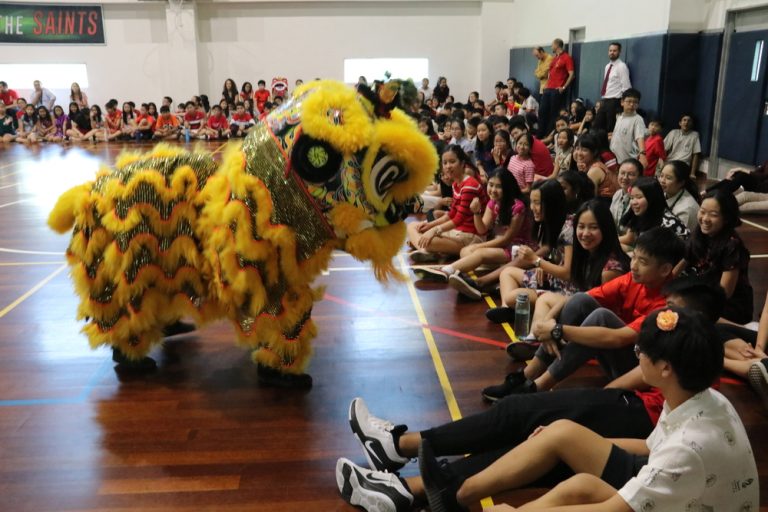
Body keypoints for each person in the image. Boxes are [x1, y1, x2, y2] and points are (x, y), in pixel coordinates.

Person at [424, 308, 757, 512]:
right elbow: (653, 447)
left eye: (640, 350)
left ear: (666, 367)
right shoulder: (696, 399)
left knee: (580, 489)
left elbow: (613, 508)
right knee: (566, 446)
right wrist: (573, 438)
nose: (637, 355)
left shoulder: (688, 447)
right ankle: (457, 495)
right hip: (677, 496)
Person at [483, 226, 683, 401]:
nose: (634, 265)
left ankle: (536, 387)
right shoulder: (634, 278)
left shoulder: (668, 304)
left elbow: (618, 339)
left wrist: (558, 331)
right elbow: (579, 297)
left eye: (643, 262)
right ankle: (527, 375)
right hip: (617, 356)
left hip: (639, 373)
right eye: (635, 258)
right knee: (581, 301)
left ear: (665, 269)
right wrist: (548, 323)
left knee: (601, 317)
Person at [486, 200, 629, 330]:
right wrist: (543, 266)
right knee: (508, 273)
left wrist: (537, 261)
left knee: (520, 299)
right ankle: (513, 314)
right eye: (581, 227)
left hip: (574, 303)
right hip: (561, 289)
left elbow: (595, 307)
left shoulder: (610, 268)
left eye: (593, 227)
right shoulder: (584, 251)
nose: (585, 233)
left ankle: (533, 335)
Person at [450, 179, 565, 303]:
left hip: (558, 284)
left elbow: (566, 270)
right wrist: (476, 213)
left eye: (537, 203)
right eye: (531, 202)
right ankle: (493, 291)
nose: (532, 208)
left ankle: (479, 283)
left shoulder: (566, 228)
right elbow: (482, 229)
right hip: (541, 269)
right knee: (507, 272)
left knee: (511, 290)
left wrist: (536, 260)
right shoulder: (543, 222)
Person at [417, 169, 530, 283]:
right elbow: (482, 229)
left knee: (478, 252)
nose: (493, 190)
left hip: (517, 249)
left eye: (499, 187)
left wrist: (479, 247)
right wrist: (476, 212)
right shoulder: (493, 203)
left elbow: (506, 240)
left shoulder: (517, 207)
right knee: (465, 252)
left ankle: (446, 271)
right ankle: (490, 264)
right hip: (500, 246)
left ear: (507, 188)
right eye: (491, 185)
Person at [678, 189, 753, 324]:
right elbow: (683, 261)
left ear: (726, 218)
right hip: (705, 294)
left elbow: (725, 293)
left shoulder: (732, 244)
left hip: (729, 306)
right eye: (702, 211)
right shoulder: (699, 233)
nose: (705, 219)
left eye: (713, 215)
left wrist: (693, 302)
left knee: (685, 315)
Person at [407, 145, 487, 262]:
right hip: (457, 232)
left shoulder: (470, 185)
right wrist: (430, 226)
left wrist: (434, 230)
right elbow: (451, 213)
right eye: (445, 163)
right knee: (413, 226)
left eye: (452, 162)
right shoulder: (455, 183)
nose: (448, 166)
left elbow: (458, 219)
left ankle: (426, 250)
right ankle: (427, 251)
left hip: (470, 237)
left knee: (429, 240)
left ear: (462, 163)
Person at [619, 177, 689, 251]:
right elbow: (630, 238)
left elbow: (657, 256)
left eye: (639, 197)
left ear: (652, 198)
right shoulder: (641, 212)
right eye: (632, 198)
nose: (633, 202)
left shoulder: (667, 224)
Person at [537, 38, 575, 140]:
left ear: (557, 45)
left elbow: (571, 74)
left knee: (553, 114)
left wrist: (563, 87)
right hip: (548, 88)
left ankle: (549, 136)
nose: (551, 47)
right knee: (542, 111)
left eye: (552, 45)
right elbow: (550, 73)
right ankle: (540, 135)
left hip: (556, 90)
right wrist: (546, 85)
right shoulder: (554, 58)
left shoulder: (567, 58)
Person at [594, 42, 632, 134]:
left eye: (615, 51)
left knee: (610, 128)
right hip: (605, 100)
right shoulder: (607, 66)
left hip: (615, 101)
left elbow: (626, 87)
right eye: (610, 50)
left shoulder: (622, 66)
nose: (612, 52)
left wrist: (621, 103)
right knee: (597, 126)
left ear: (619, 52)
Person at [574, 132, 618, 206]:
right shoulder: (595, 164)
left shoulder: (595, 170)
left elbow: (587, 200)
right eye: (577, 148)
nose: (579, 153)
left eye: (584, 150)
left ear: (594, 152)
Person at [609, 88, 647, 169]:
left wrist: (643, 155)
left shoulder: (637, 119)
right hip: (615, 159)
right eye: (629, 101)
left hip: (628, 161)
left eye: (635, 102)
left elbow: (640, 137)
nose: (632, 104)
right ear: (622, 102)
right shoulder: (619, 117)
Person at [657, 160, 700, 231]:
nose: (662, 181)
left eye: (668, 178)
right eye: (661, 176)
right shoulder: (665, 193)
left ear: (681, 183)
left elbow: (680, 238)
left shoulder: (686, 210)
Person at [609, 158, 642, 234]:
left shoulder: (641, 200)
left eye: (630, 174)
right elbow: (610, 221)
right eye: (622, 173)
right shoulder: (617, 194)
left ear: (640, 177)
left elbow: (631, 238)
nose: (625, 177)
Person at [664, 113, 702, 177]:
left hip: (683, 164)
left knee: (673, 175)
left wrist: (692, 173)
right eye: (684, 120)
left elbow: (696, 154)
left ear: (692, 124)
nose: (686, 122)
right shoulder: (673, 132)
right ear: (680, 123)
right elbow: (664, 149)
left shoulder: (695, 135)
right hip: (671, 161)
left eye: (689, 121)